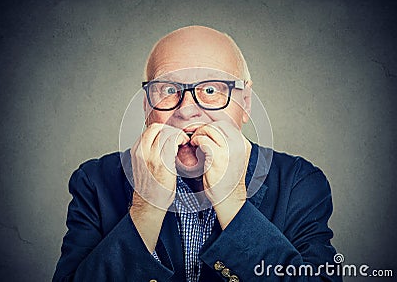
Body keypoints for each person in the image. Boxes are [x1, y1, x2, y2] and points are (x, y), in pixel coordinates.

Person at [53, 26, 342, 282]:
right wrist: (146, 208)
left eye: (212, 89)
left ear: (246, 102)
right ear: (146, 106)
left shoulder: (299, 183)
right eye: (168, 89)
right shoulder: (94, 181)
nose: (187, 109)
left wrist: (232, 204)